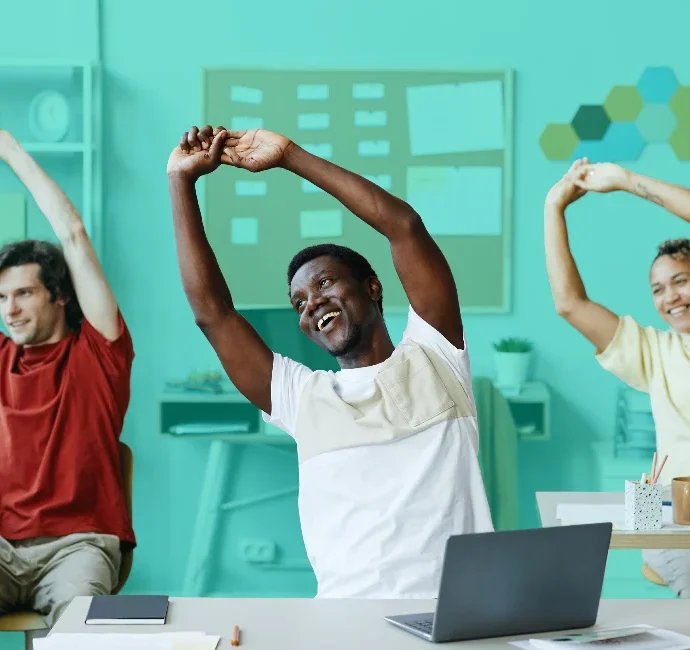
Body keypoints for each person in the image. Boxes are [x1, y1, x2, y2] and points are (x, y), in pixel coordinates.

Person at [167, 124, 494, 599]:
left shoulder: (437, 355)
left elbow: (403, 226)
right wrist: (180, 180)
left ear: (373, 288)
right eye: (298, 302)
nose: (312, 304)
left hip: (457, 612)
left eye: (323, 285)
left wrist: (289, 156)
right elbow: (213, 315)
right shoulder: (302, 398)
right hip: (346, 624)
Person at [0, 130, 135, 626]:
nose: (9, 311)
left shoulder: (98, 353)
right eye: (1, 299)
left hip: (77, 548)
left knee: (84, 634)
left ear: (60, 295)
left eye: (23, 294)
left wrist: (8, 150)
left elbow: (73, 234)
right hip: (1, 547)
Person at [544, 157, 690, 597]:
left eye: (680, 281)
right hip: (680, 526)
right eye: (658, 290)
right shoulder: (656, 352)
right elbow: (570, 304)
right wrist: (554, 208)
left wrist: (627, 181)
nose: (669, 298)